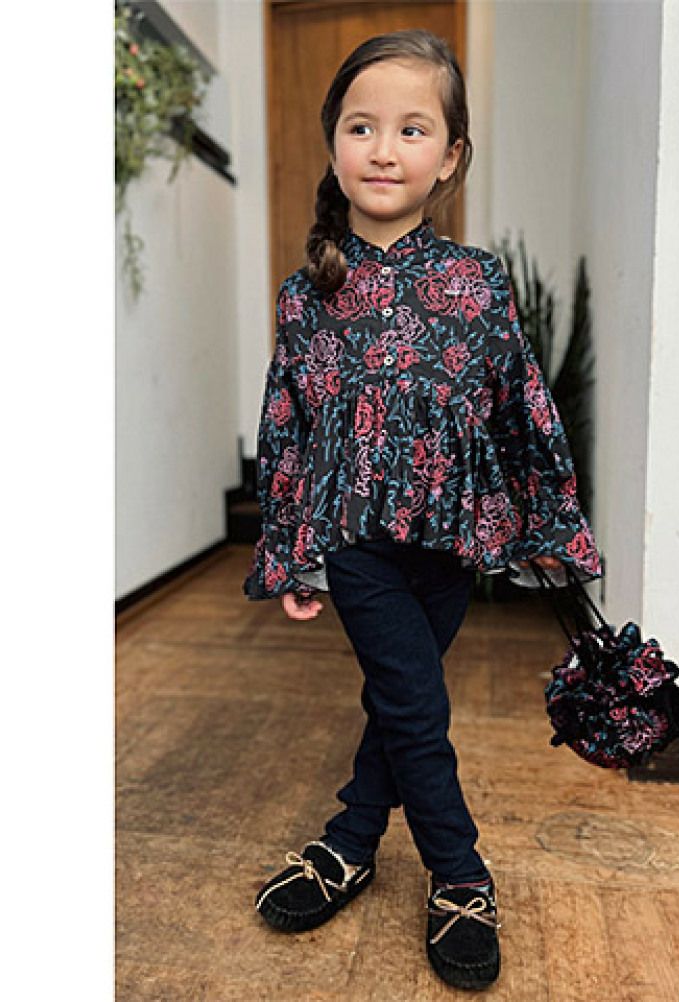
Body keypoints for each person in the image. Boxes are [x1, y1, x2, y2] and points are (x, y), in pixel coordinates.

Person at [243, 28, 601, 991]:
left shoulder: (477, 281)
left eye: (412, 129)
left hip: (453, 541)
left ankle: (351, 839)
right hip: (356, 539)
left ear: (449, 157)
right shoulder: (305, 298)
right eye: (361, 127)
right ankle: (462, 874)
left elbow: (520, 404)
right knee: (415, 703)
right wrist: (290, 550)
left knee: (397, 704)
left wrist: (550, 526)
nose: (383, 149)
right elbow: (287, 424)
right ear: (334, 147)